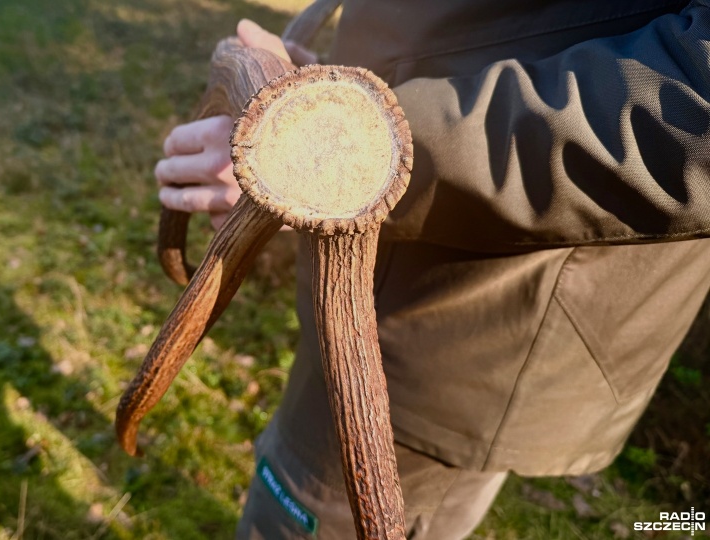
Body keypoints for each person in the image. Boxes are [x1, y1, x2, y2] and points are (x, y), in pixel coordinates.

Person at [155, 2, 710, 538]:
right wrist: (338, 77)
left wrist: (336, 145)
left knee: (300, 517)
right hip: (399, 299)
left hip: (463, 340)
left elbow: (691, 108)